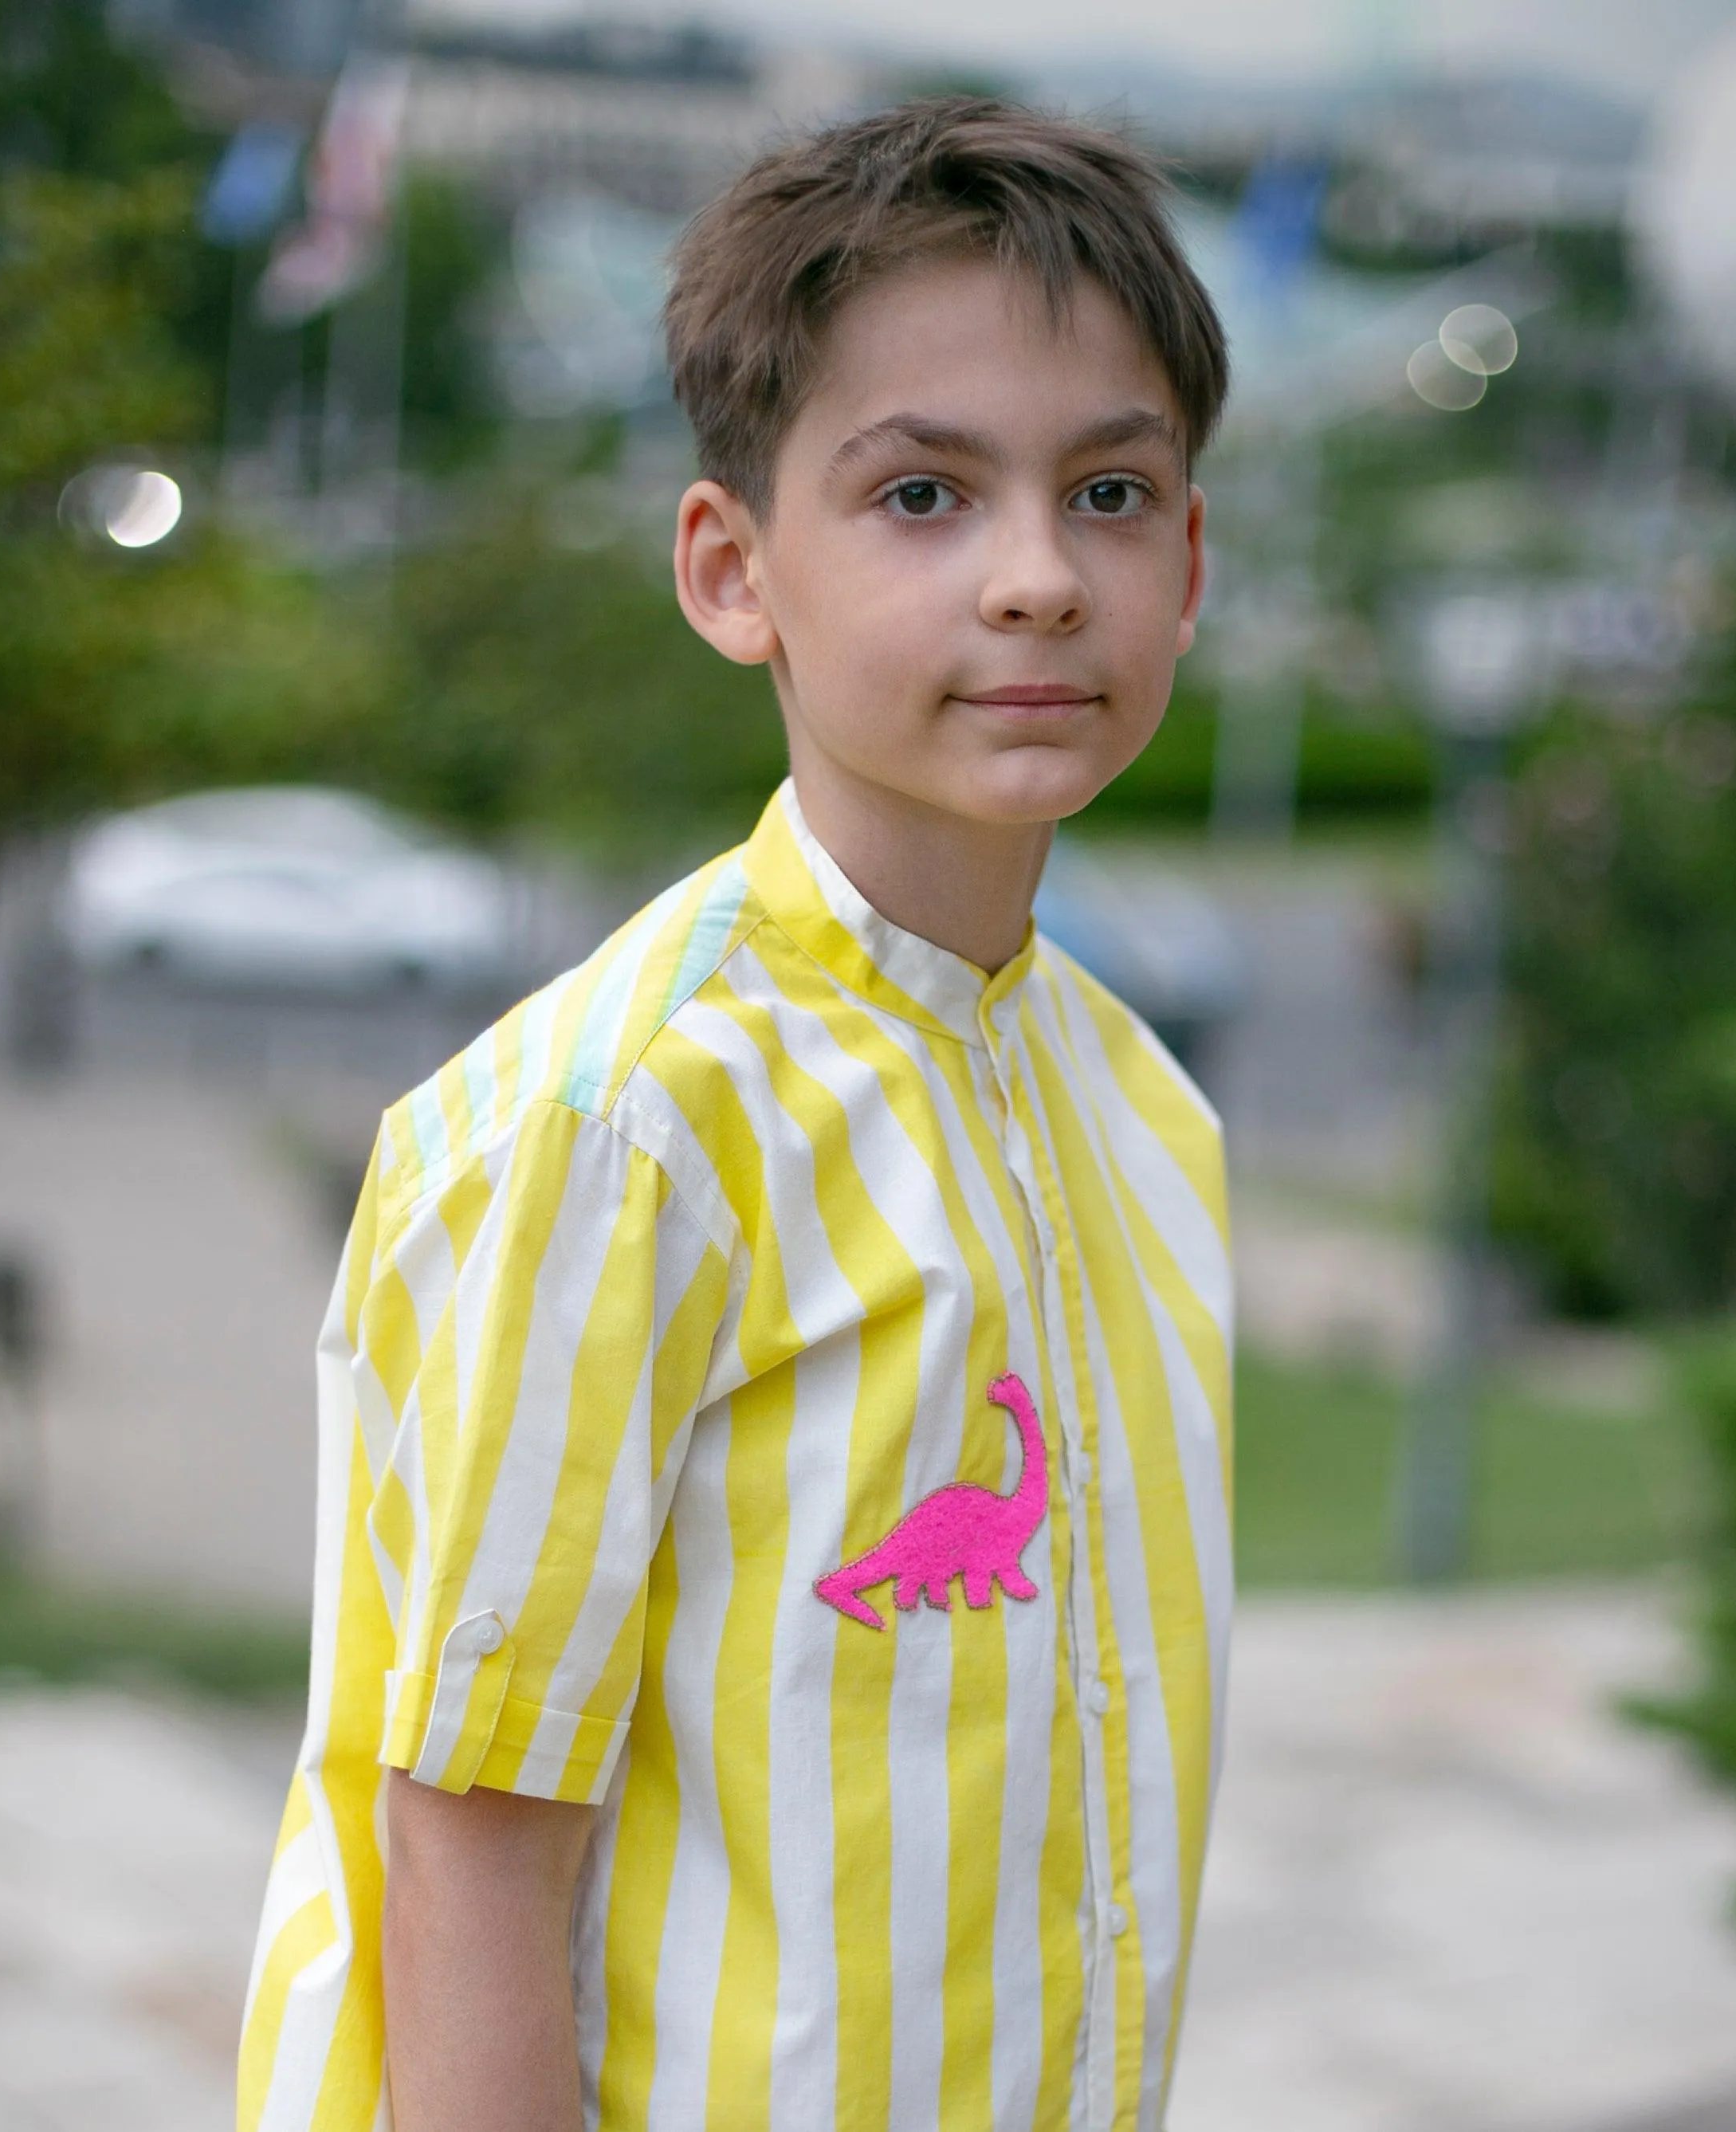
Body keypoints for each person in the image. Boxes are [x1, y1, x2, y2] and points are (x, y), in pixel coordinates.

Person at [239, 96, 1234, 2132]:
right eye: (923, 497)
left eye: (1110, 491)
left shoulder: (1139, 1110)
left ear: (1191, 559)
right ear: (731, 570)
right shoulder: (624, 1132)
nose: (1039, 578)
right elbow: (469, 1830)